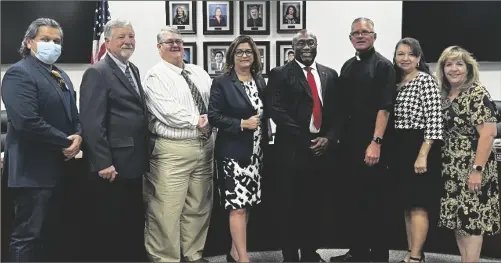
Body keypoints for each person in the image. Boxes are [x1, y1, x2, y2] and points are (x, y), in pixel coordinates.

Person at [1, 17, 82, 262]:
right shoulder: (19, 73)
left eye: (56, 41)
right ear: (28, 42)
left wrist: (79, 134)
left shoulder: (60, 74)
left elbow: (73, 114)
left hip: (59, 169)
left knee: (51, 234)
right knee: (28, 235)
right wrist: (66, 141)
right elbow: (27, 121)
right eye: (45, 39)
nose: (52, 45)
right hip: (32, 171)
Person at [267, 29, 342, 262]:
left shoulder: (330, 74)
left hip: (321, 151)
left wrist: (328, 138)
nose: (307, 47)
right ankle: (290, 255)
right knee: (289, 206)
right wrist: (305, 138)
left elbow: (338, 113)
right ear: (294, 47)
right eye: (301, 44)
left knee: (314, 205)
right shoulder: (280, 73)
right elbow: (275, 109)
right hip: (291, 150)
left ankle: (310, 252)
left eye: (311, 42)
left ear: (317, 45)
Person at [79, 19, 150, 262]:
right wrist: (103, 162)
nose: (128, 41)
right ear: (107, 42)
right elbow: (91, 123)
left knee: (131, 221)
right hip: (112, 166)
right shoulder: (97, 72)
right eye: (121, 37)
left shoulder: (133, 69)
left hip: (133, 162)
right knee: (112, 224)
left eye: (131, 36)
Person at [142, 26, 213, 262]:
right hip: (172, 150)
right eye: (169, 42)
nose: (175, 45)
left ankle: (193, 254)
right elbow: (167, 111)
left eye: (178, 41)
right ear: (159, 47)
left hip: (204, 148)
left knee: (198, 206)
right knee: (166, 210)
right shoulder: (155, 76)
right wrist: (197, 121)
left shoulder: (198, 72)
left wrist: (212, 119)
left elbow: (213, 102)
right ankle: (165, 258)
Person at [330, 17, 396, 262]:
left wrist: (376, 142)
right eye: (355, 33)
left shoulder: (383, 66)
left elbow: (385, 108)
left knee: (375, 202)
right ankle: (357, 252)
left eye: (365, 32)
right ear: (350, 38)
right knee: (353, 201)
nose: (360, 36)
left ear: (374, 36)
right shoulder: (347, 66)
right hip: (349, 145)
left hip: (374, 144)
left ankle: (378, 256)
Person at [208, 35, 271, 263]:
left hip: (255, 153)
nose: (244, 55)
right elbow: (214, 116)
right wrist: (241, 124)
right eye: (239, 52)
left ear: (254, 56)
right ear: (232, 56)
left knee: (248, 204)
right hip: (233, 154)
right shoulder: (222, 82)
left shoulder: (259, 80)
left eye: (248, 52)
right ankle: (244, 259)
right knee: (238, 207)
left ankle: (234, 253)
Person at [436, 45, 500, 263]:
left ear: (468, 68)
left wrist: (477, 170)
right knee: (459, 218)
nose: (454, 69)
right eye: (448, 64)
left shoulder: (477, 93)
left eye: (459, 64)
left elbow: (488, 134)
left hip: (473, 166)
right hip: (451, 166)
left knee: (472, 218)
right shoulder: (446, 95)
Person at [391, 37, 443, 262]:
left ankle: (415, 256)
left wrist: (423, 154)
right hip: (399, 147)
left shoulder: (425, 81)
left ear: (419, 58)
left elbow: (434, 119)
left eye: (411, 54)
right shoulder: (395, 81)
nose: (405, 58)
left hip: (419, 146)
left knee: (419, 204)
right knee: (407, 203)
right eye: (401, 53)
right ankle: (414, 252)